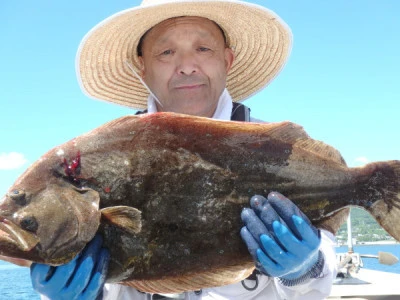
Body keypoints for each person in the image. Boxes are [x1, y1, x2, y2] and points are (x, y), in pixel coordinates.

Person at [30, 0, 348, 299]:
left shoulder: (281, 152)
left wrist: (305, 269)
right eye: (166, 52)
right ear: (142, 67)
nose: (186, 66)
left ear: (227, 60)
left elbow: (318, 284)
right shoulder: (104, 159)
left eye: (203, 48)